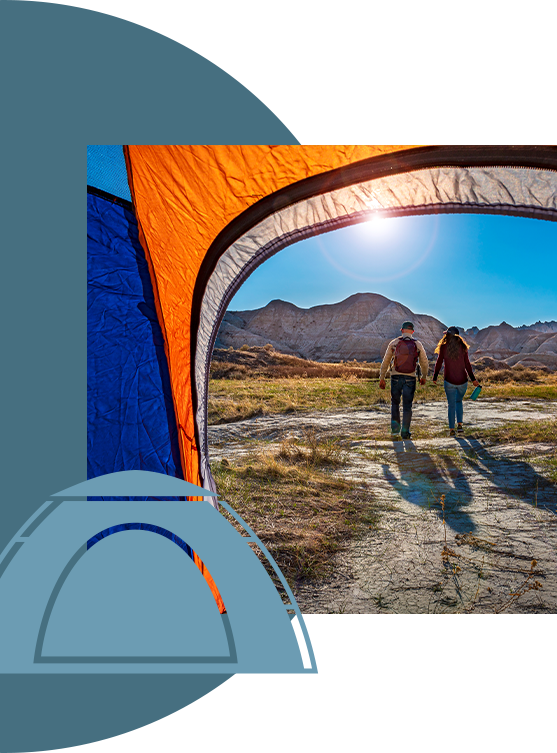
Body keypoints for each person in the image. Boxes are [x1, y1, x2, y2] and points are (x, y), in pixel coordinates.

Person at [379, 321, 429, 439]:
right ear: (412, 331)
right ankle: (405, 433)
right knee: (407, 406)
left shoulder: (394, 343)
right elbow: (424, 362)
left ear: (402, 330)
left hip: (395, 376)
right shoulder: (417, 344)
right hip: (410, 377)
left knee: (395, 403)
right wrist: (424, 376)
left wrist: (382, 377)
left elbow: (385, 361)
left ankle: (395, 431)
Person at [432, 326, 480, 437]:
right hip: (462, 381)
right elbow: (468, 364)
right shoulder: (463, 347)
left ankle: (451, 429)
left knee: (451, 404)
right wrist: (473, 379)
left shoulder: (444, 347)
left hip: (449, 380)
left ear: (447, 335)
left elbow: (438, 363)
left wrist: (435, 377)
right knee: (459, 402)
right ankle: (460, 426)